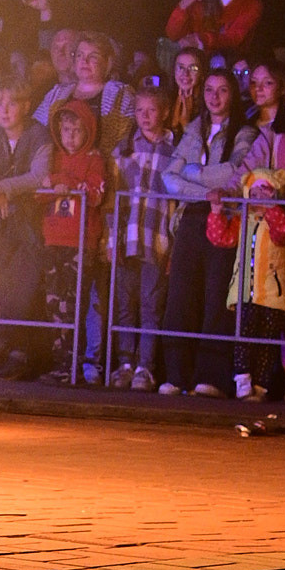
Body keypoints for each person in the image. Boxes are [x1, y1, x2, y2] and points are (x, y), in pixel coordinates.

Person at [160, 57, 245, 393]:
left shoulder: (245, 131)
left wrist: (192, 173)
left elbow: (232, 173)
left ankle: (210, 377)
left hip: (224, 217)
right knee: (180, 295)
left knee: (216, 296)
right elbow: (168, 176)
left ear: (233, 95)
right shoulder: (194, 128)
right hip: (193, 215)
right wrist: (204, 190)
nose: (214, 96)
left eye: (223, 90)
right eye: (209, 89)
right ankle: (175, 375)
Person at [0, 76, 50, 376]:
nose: (4, 110)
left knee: (22, 289)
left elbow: (39, 176)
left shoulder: (39, 135)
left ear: (25, 106)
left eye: (12, 103)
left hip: (31, 224)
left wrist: (2, 188)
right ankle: (10, 350)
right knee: (2, 289)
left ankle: (4, 345)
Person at [229, 56, 285, 400]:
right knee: (252, 308)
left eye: (267, 82)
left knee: (284, 307)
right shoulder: (248, 127)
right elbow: (238, 173)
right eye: (253, 82)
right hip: (255, 222)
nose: (258, 88)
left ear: (282, 87)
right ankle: (249, 379)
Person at [110, 78, 174, 390]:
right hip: (128, 237)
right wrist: (111, 239)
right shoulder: (123, 149)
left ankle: (145, 367)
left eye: (151, 110)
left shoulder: (175, 150)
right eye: (139, 110)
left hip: (157, 239)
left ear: (164, 113)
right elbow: (114, 198)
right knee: (125, 303)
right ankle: (124, 363)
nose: (145, 116)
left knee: (151, 304)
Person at [41, 96, 108, 381]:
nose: (70, 136)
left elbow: (95, 194)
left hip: (80, 243)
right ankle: (59, 362)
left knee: (75, 304)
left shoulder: (95, 159)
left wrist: (64, 183)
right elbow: (39, 191)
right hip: (52, 240)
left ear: (88, 130)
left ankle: (76, 364)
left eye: (77, 130)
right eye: (65, 130)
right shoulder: (52, 156)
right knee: (54, 304)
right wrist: (53, 183)